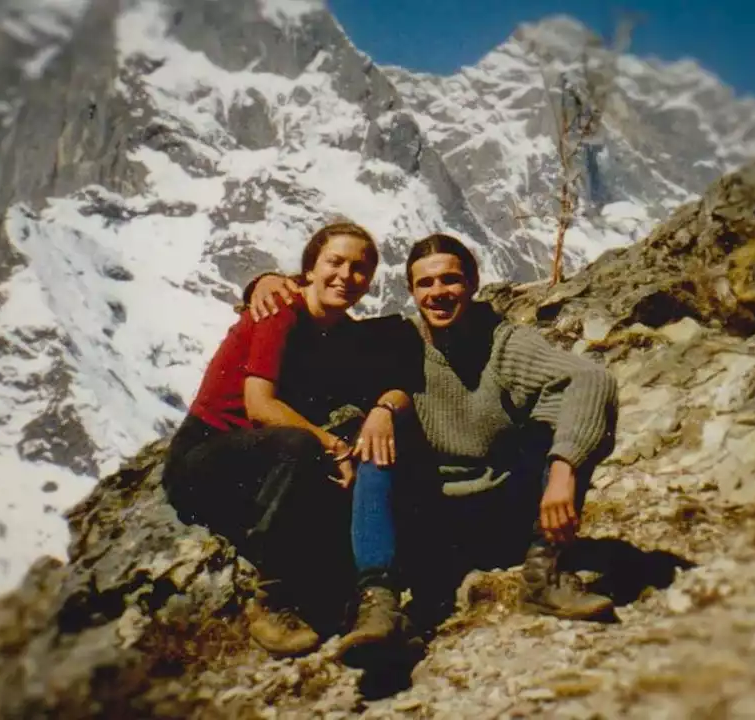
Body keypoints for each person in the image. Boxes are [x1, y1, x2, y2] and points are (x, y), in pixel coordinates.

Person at [246, 232, 619, 629]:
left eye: (450, 280)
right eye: (425, 283)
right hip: (432, 522)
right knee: (376, 445)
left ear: (473, 284)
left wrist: (563, 471)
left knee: (559, 418)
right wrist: (265, 282)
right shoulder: (395, 339)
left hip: (506, 510)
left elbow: (592, 380)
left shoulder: (504, 341)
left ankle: (545, 574)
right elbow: (318, 318)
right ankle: (379, 603)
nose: (438, 293)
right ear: (411, 291)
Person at [162, 221, 421, 661]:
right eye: (334, 262)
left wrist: (382, 411)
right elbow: (260, 405)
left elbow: (392, 381)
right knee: (301, 447)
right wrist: (333, 447)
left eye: (360, 269)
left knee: (342, 456)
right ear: (310, 269)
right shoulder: (280, 310)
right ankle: (270, 601)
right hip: (204, 458)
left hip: (259, 461)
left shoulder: (339, 331)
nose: (346, 276)